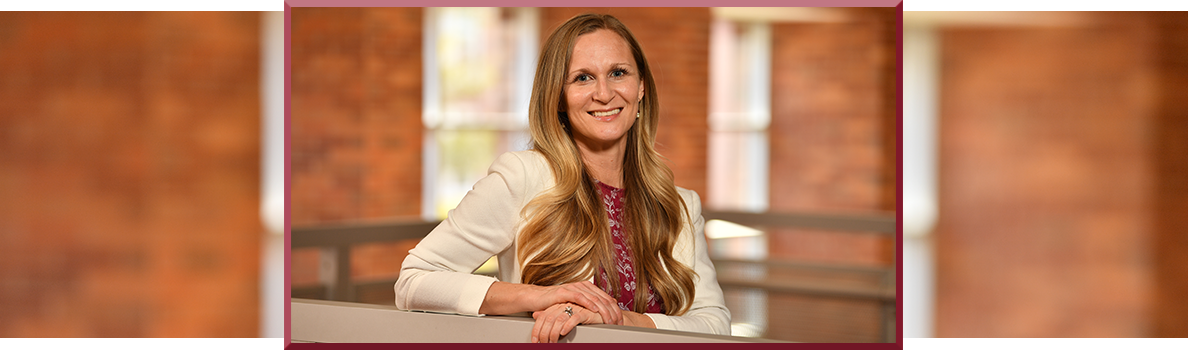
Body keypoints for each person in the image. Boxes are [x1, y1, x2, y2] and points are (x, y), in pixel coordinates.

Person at [394, 13, 730, 343]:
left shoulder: (680, 205)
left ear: (641, 86)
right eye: (583, 78)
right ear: (558, 97)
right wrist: (538, 296)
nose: (604, 93)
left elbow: (715, 323)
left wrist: (623, 320)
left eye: (618, 73)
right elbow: (415, 279)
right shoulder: (522, 177)